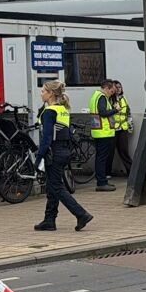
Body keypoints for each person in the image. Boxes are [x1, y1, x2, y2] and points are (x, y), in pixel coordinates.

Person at [34, 80, 93, 232]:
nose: (41, 93)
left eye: (43, 91)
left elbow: (47, 139)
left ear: (51, 94)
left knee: (56, 187)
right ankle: (49, 220)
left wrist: (38, 158)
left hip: (53, 152)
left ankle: (81, 214)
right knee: (52, 186)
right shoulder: (63, 109)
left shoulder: (49, 112)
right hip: (63, 151)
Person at [88, 79, 118, 191]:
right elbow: (103, 113)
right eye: (111, 91)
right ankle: (101, 182)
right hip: (104, 132)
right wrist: (115, 110)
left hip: (98, 131)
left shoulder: (95, 96)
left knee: (100, 157)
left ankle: (102, 181)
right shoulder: (102, 97)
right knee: (102, 158)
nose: (111, 94)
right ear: (106, 88)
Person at [111, 80, 133, 174]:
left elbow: (128, 113)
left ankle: (131, 171)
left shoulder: (123, 98)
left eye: (119, 87)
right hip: (113, 129)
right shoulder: (110, 100)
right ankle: (107, 172)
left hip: (123, 128)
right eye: (116, 87)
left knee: (124, 150)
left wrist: (130, 126)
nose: (118, 89)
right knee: (110, 152)